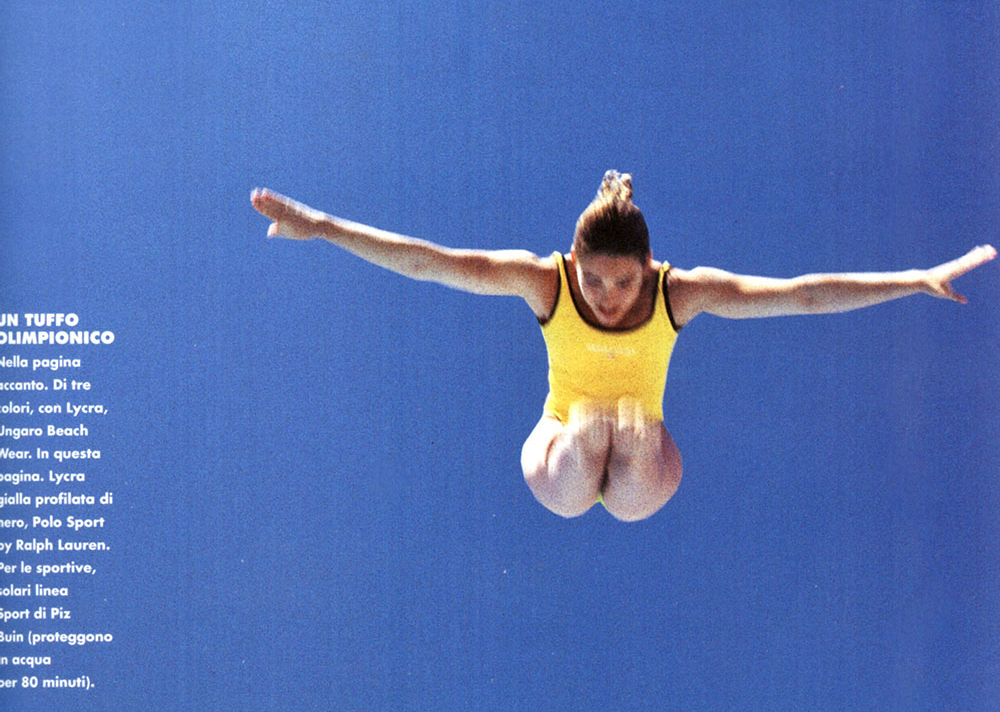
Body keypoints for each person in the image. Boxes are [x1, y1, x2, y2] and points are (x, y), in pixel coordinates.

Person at [250, 174, 995, 523]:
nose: (607, 297)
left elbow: (801, 293)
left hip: (646, 454)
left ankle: (621, 439)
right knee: (581, 463)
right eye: (595, 280)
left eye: (624, 281)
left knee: (635, 460)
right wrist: (325, 227)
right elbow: (432, 261)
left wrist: (915, 279)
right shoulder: (546, 281)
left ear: (649, 266)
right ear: (573, 262)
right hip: (559, 437)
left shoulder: (680, 292)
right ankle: (593, 439)